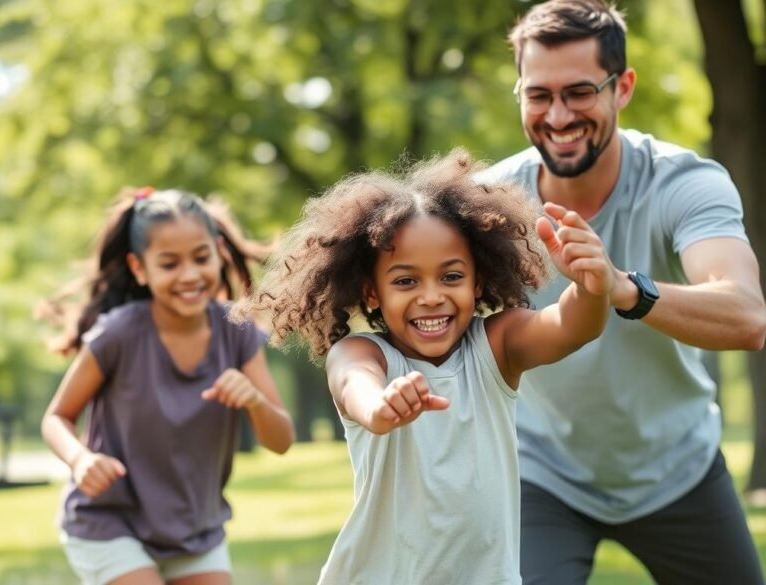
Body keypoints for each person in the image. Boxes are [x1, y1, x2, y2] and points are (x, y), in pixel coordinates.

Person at [479, 1, 766, 583]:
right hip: (542, 476)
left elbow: (746, 314)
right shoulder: (488, 204)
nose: (557, 116)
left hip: (676, 470)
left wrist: (623, 288)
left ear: (623, 87)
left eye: (579, 92)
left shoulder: (683, 182)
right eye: (538, 95)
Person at [236, 149, 615, 584]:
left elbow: (570, 327)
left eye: (451, 276)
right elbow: (355, 384)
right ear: (372, 291)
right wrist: (380, 406)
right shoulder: (364, 354)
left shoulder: (498, 346)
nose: (431, 296)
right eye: (405, 281)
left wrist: (592, 289)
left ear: (479, 280)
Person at [39, 188, 295, 585]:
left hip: (194, 529)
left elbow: (281, 440)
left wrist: (256, 401)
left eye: (200, 257)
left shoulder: (237, 332)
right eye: (169, 263)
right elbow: (57, 417)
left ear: (219, 251)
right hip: (109, 522)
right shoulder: (119, 334)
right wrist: (79, 459)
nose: (190, 275)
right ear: (140, 268)